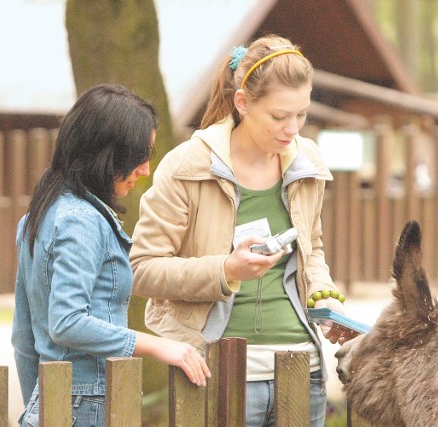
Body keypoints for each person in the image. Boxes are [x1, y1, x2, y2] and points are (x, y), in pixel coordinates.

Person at [129, 35, 356, 426]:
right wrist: (225, 271)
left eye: (301, 114)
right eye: (279, 116)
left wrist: (324, 295)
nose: (292, 128)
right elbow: (143, 270)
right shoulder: (185, 165)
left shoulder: (307, 161)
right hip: (217, 371)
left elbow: (311, 248)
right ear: (243, 103)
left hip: (302, 369)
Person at [11, 84, 211, 427]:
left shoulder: (39, 216)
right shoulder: (81, 220)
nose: (146, 169)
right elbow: (67, 321)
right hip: (88, 405)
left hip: (55, 404)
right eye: (139, 155)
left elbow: (23, 338)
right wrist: (157, 345)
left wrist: (42, 406)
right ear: (105, 154)